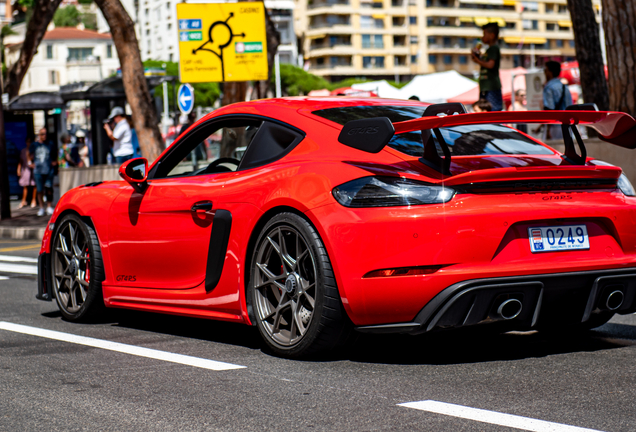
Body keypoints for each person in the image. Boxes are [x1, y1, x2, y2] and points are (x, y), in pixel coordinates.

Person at [471, 22, 503, 111]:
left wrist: (478, 60)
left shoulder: (493, 48)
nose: (482, 37)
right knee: (484, 110)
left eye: (484, 34)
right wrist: (477, 57)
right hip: (486, 87)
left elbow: (490, 64)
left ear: (492, 35)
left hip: (491, 87)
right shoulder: (489, 50)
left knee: (492, 111)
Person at [30, 128, 56, 216]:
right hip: (38, 171)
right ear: (39, 135)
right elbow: (28, 153)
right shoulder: (34, 145)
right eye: (42, 134)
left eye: (45, 134)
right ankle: (41, 207)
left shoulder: (50, 144)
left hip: (48, 170)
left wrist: (55, 162)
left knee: (49, 189)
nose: (44, 136)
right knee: (40, 190)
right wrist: (30, 162)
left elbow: (55, 153)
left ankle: (49, 206)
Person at [543, 60, 573, 139]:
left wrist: (548, 129)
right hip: (568, 125)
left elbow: (549, 109)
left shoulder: (549, 87)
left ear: (550, 72)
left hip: (555, 126)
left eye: (545, 70)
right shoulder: (564, 87)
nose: (544, 73)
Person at [17, 135, 37, 209]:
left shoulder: (34, 150)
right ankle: (23, 201)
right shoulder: (23, 151)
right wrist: (18, 169)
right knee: (25, 186)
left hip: (33, 170)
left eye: (30, 142)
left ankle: (34, 200)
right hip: (26, 170)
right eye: (27, 141)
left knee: (34, 185)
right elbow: (21, 161)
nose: (29, 143)